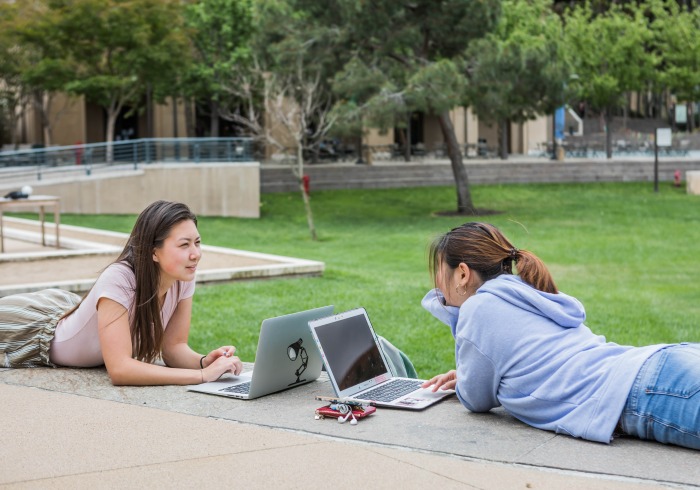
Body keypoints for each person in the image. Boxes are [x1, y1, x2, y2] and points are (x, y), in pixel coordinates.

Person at [421, 222, 699, 450]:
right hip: (659, 366)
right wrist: (469, 375)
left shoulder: (478, 308)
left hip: (646, 391)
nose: (437, 284)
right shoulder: (525, 291)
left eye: (438, 272)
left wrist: (468, 375)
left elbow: (475, 400)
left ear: (462, 273)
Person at [0, 200, 243, 386]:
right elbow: (120, 369)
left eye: (197, 242)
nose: (195, 254)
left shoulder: (182, 276)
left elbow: (174, 348)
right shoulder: (120, 279)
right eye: (184, 244)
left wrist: (204, 361)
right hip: (28, 330)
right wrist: (200, 376)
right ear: (153, 252)